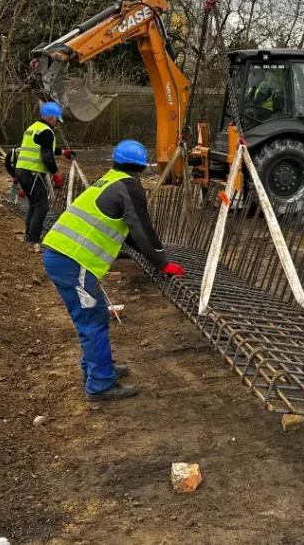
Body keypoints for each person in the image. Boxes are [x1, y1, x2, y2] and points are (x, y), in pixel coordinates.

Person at [40, 139, 186, 401]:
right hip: (73, 261)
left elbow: (128, 232)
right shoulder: (129, 187)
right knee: (92, 320)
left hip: (64, 256)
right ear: (142, 167)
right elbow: (141, 230)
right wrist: (163, 263)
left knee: (90, 318)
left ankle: (99, 369)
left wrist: (154, 257)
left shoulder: (109, 180)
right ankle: (100, 384)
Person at [15, 101, 72, 247]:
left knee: (34, 204)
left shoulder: (33, 128)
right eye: (57, 119)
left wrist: (62, 152)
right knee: (42, 206)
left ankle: (30, 234)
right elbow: (46, 155)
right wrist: (55, 173)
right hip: (33, 172)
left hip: (22, 170)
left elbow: (40, 148)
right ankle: (32, 238)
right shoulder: (47, 131)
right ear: (51, 117)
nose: (58, 123)